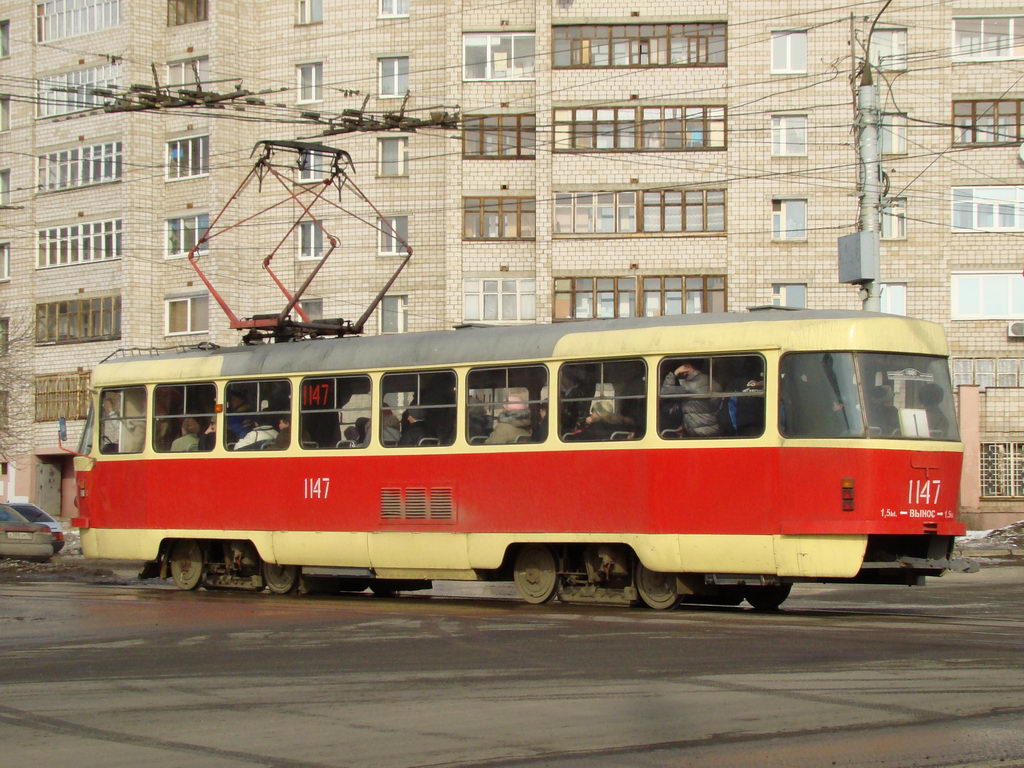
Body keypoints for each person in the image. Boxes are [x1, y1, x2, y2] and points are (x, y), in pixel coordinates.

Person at [660, 360, 721, 437]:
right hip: (711, 428)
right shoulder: (710, 380)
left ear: (687, 366)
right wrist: (685, 426)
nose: (681, 372)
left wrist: (675, 372)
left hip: (699, 433)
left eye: (682, 367)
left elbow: (665, 392)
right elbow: (697, 407)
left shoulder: (690, 385)